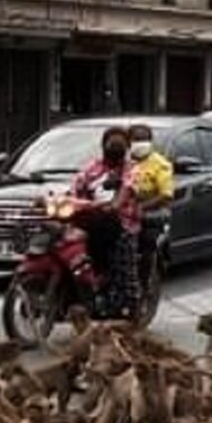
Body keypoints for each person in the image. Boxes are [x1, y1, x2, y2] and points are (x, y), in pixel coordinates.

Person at [71, 126, 140, 316]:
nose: (115, 148)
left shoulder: (131, 169)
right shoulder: (92, 167)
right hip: (93, 219)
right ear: (103, 146)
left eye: (120, 144)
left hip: (122, 223)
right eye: (111, 143)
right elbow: (76, 187)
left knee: (123, 268)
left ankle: (128, 309)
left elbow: (127, 188)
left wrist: (115, 205)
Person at [129, 123, 174, 291]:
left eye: (143, 139)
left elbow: (166, 195)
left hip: (152, 212)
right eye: (136, 139)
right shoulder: (125, 161)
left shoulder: (160, 164)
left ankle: (144, 281)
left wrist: (142, 207)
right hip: (124, 210)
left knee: (146, 241)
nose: (140, 143)